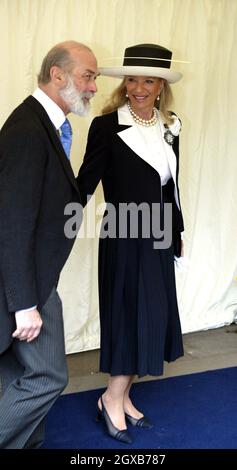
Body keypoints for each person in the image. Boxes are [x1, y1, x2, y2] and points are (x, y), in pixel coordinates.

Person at [78, 43, 184, 444]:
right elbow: (85, 183)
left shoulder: (171, 125)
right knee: (127, 315)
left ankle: (121, 396)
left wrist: (178, 231)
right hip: (123, 233)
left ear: (161, 86)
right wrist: (52, 215)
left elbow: (174, 185)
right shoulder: (107, 126)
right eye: (133, 79)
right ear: (125, 83)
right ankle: (111, 397)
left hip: (157, 235)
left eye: (149, 80)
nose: (139, 87)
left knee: (151, 316)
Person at [0, 40, 98, 449]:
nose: (93, 86)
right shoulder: (27, 129)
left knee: (13, 374)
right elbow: (12, 221)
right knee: (48, 376)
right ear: (58, 75)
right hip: (26, 285)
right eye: (87, 75)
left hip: (33, 277)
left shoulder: (50, 125)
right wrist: (24, 303)